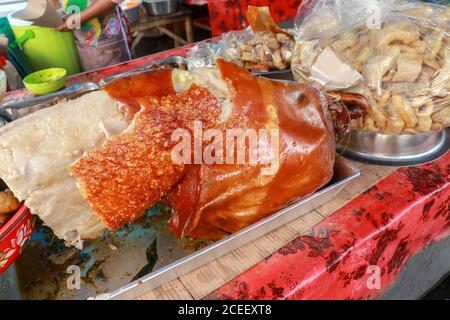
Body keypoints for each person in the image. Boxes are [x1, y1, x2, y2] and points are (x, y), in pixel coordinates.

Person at [51, 0, 131, 71]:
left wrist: (76, 20)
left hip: (107, 39)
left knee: (118, 78)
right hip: (82, 38)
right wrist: (50, 12)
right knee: (94, 78)